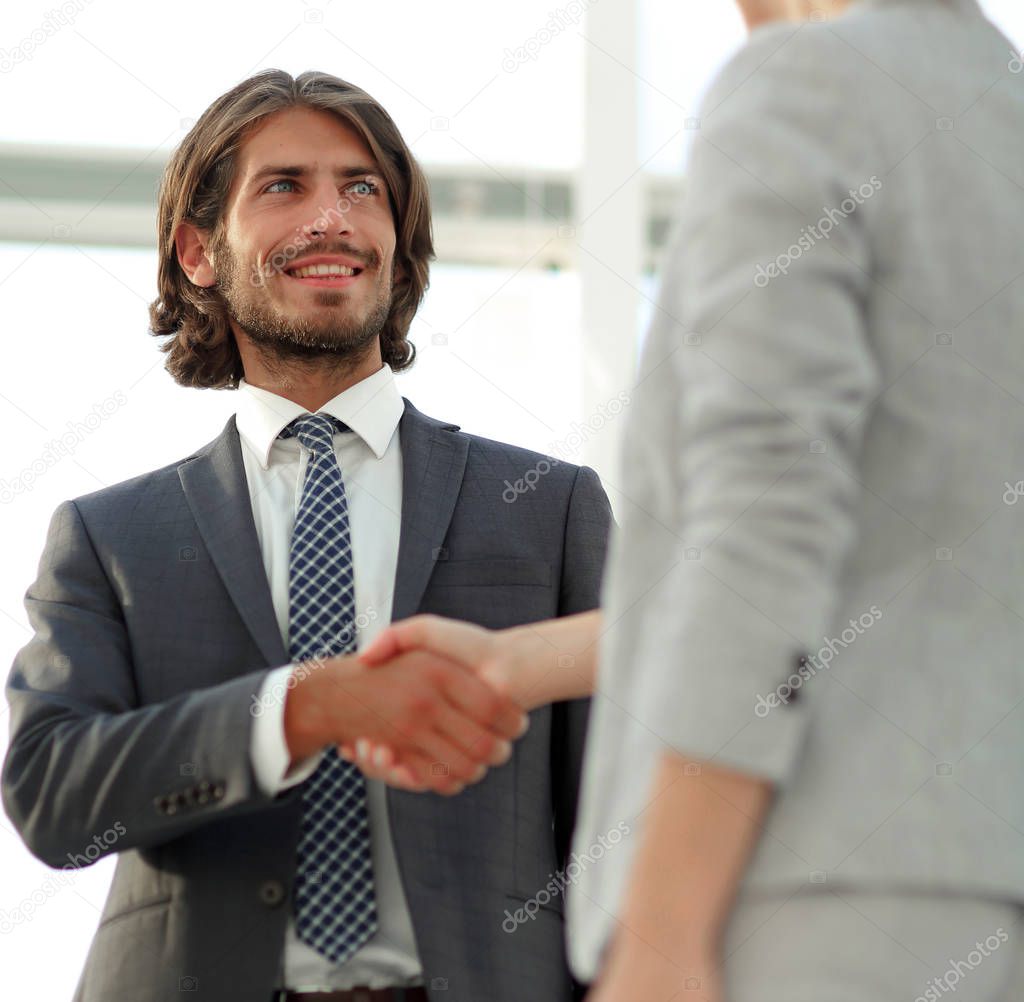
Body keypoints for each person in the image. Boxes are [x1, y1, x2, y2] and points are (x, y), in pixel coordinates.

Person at [347, 0, 1024, 999]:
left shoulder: (803, 88)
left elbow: (765, 520)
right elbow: (907, 566)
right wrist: (519, 662)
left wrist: (662, 930)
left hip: (798, 893)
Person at [1, 69, 612, 1002]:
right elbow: (52, 793)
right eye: (284, 186)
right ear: (200, 252)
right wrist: (303, 708)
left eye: (362, 189)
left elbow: (637, 796)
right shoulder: (108, 537)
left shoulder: (549, 506)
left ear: (397, 246)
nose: (332, 218)